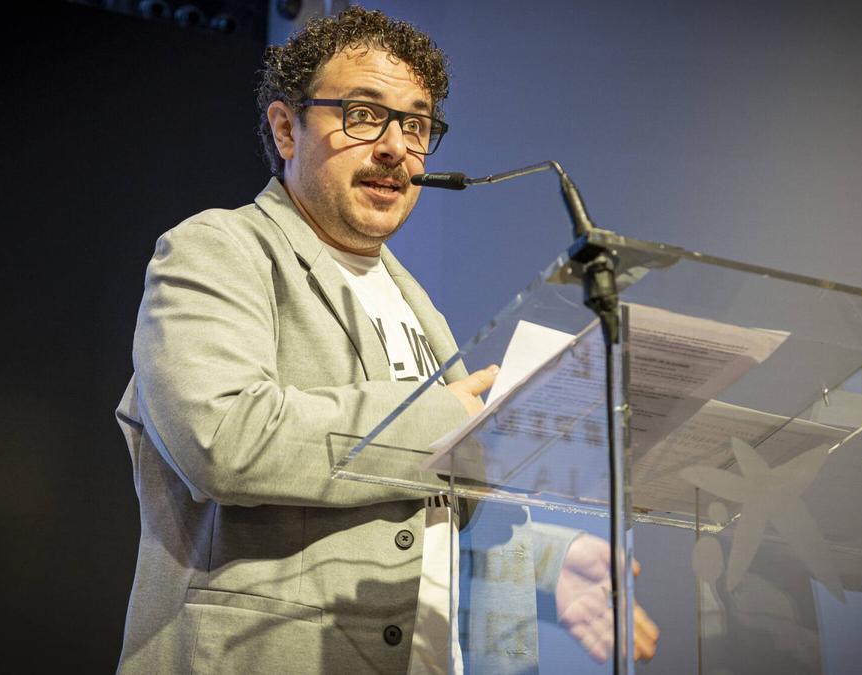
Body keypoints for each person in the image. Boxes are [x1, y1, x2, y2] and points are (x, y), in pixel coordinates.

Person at [114, 6, 657, 673]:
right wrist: (443, 418)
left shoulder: (413, 302)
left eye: (417, 123)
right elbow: (220, 436)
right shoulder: (215, 252)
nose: (397, 147)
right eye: (364, 114)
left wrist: (550, 560)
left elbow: (420, 507)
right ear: (287, 128)